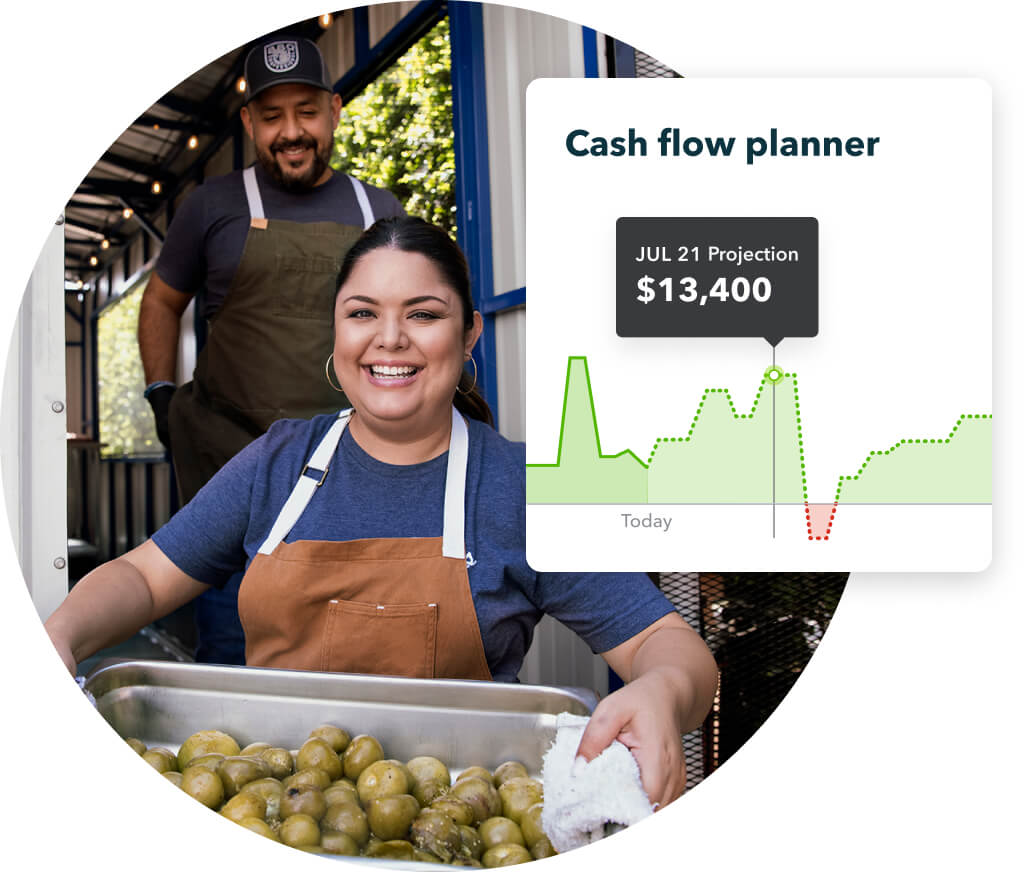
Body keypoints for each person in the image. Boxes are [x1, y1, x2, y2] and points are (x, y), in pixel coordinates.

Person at [48, 217, 718, 807]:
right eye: (362, 313)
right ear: (336, 331)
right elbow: (142, 577)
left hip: (458, 822)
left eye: (423, 314)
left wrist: (661, 689)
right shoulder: (278, 461)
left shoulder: (519, 487)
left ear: (469, 333)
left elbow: (670, 647)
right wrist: (60, 634)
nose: (390, 339)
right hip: (271, 812)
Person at [137, 35, 404, 664]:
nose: (292, 132)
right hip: (236, 482)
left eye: (306, 112)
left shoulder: (381, 210)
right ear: (250, 122)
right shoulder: (212, 206)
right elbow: (159, 302)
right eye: (273, 116)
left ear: (335, 111)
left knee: (353, 660)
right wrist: (159, 395)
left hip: (353, 484)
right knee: (234, 662)